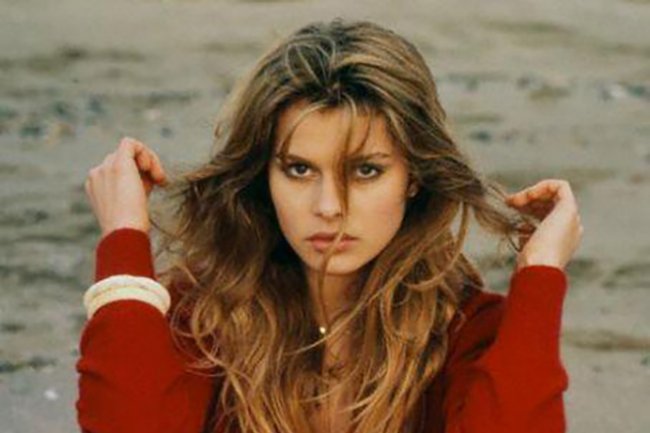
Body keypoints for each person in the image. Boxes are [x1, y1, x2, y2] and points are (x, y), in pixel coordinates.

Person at [77, 18, 583, 433]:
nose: (329, 207)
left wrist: (539, 276)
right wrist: (124, 242)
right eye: (299, 169)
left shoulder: (463, 329)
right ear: (263, 175)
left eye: (365, 171)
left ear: (413, 177)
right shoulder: (205, 317)